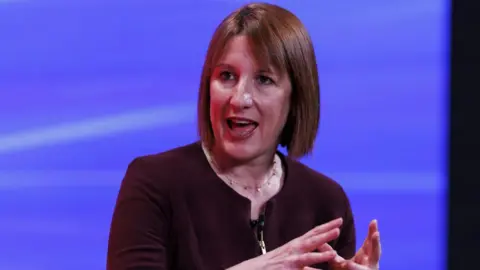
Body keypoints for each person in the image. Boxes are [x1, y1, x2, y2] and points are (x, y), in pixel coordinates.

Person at [107, 2, 381, 270]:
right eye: (227, 76)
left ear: (296, 97)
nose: (240, 98)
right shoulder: (154, 183)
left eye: (264, 80)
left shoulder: (326, 202)